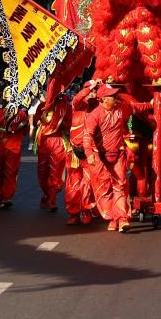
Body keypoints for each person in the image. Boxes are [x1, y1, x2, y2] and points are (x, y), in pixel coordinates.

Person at [83, 80, 153, 232]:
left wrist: (151, 104)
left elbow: (136, 107)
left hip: (118, 154)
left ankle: (122, 219)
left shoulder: (121, 108)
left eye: (115, 95)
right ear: (103, 99)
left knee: (120, 185)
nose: (115, 98)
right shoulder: (94, 115)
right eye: (111, 96)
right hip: (101, 157)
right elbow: (87, 136)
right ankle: (113, 218)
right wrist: (89, 154)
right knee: (105, 189)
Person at [65, 86, 96, 225]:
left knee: (88, 183)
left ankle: (87, 210)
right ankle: (73, 213)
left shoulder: (99, 109)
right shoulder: (77, 106)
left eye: (95, 91)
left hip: (91, 152)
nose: (92, 94)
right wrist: (91, 87)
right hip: (74, 152)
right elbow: (77, 98)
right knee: (73, 184)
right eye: (90, 91)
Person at [35, 92, 70, 212]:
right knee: (42, 171)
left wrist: (61, 123)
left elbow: (69, 124)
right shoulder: (42, 106)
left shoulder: (65, 107)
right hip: (43, 142)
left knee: (56, 171)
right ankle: (47, 194)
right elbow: (36, 120)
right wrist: (38, 121)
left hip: (58, 141)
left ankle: (52, 198)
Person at [0, 96, 28, 209]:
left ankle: (5, 197)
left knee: (9, 173)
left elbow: (24, 129)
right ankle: (2, 196)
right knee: (0, 172)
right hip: (3, 147)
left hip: (12, 147)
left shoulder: (21, 114)